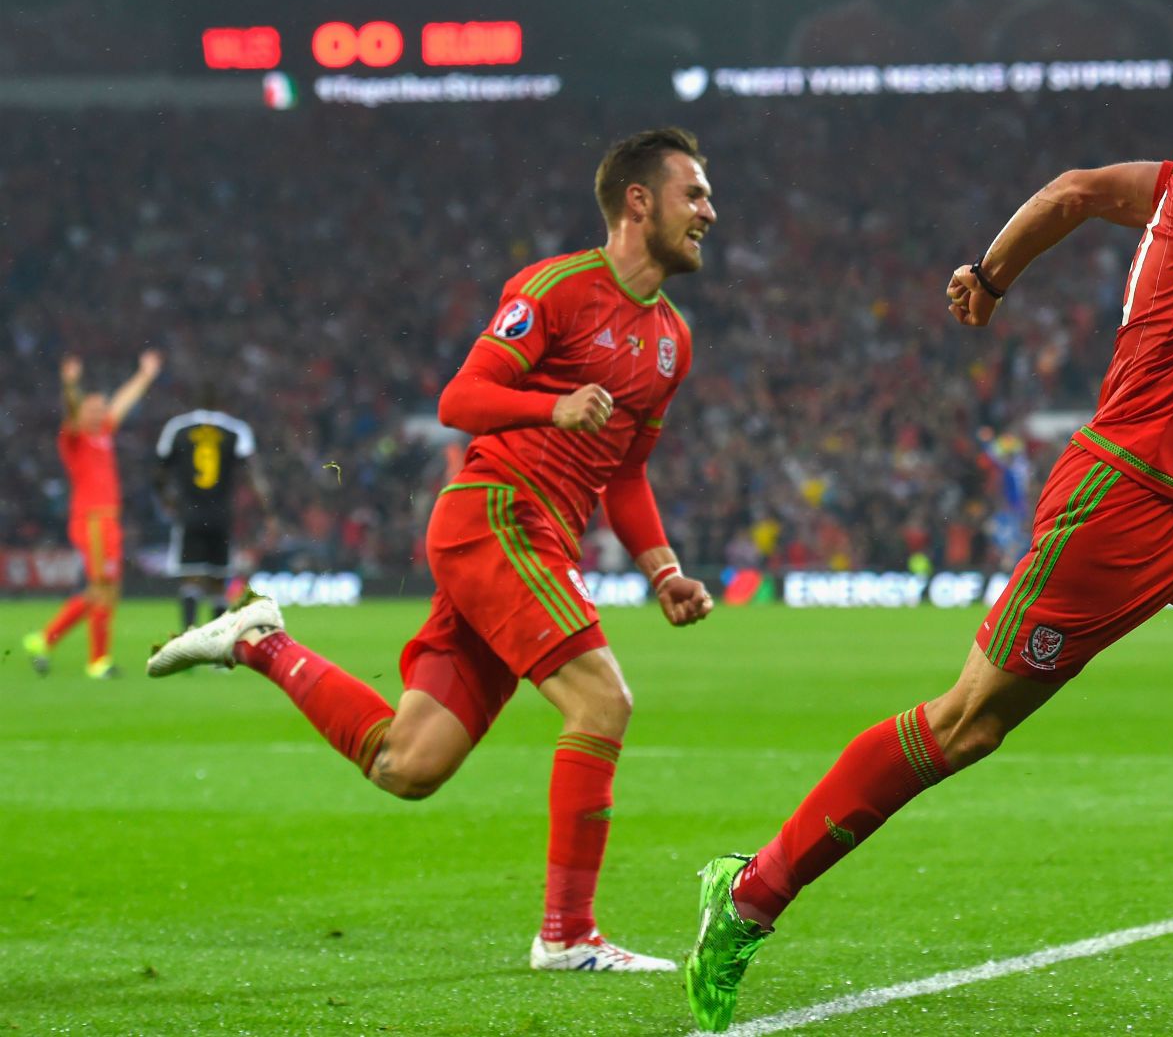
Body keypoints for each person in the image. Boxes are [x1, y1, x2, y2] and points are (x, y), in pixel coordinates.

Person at [687, 0, 1173, 1031]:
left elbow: (1072, 191)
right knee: (966, 724)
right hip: (1123, 502)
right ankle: (748, 893)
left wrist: (991, 274)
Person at [148, 128, 720, 973]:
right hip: (498, 515)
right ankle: (567, 936)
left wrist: (663, 571)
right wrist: (553, 406)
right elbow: (461, 398)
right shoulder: (556, 289)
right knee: (602, 702)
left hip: (537, 537)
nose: (709, 212)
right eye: (694, 194)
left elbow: (627, 472)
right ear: (639, 201)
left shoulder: (672, 339)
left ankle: (258, 641)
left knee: (406, 765)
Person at [24, 350, 163, 679]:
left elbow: (122, 402)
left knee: (108, 591)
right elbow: (72, 407)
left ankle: (46, 640)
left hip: (108, 520)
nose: (101, 413)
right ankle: (96, 661)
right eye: (94, 408)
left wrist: (145, 375)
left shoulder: (103, 432)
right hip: (92, 520)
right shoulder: (74, 437)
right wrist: (70, 384)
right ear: (81, 412)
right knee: (100, 589)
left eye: (102, 408)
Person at [154, 389, 270, 631]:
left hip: (189, 514)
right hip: (221, 516)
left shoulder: (178, 428)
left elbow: (160, 473)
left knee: (190, 579)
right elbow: (251, 474)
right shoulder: (235, 429)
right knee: (219, 581)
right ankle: (217, 643)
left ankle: (189, 638)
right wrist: (268, 511)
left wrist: (167, 500)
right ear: (222, 404)